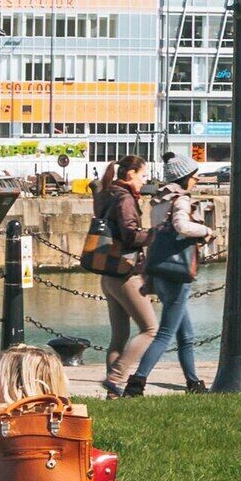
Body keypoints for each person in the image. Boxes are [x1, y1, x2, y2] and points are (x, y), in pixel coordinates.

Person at [122, 178, 214, 393]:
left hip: (161, 271)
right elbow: (181, 226)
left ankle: (194, 383)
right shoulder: (180, 200)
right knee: (165, 334)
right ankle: (136, 383)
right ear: (185, 177)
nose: (197, 179)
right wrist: (206, 231)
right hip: (177, 272)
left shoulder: (158, 202)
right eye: (194, 175)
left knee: (186, 335)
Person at [86, 155, 158, 394]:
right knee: (150, 329)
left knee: (119, 336)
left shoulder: (107, 193)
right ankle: (116, 378)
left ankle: (111, 393)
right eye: (143, 176)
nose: (144, 181)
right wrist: (155, 234)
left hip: (107, 272)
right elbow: (129, 234)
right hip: (125, 273)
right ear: (131, 174)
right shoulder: (125, 197)